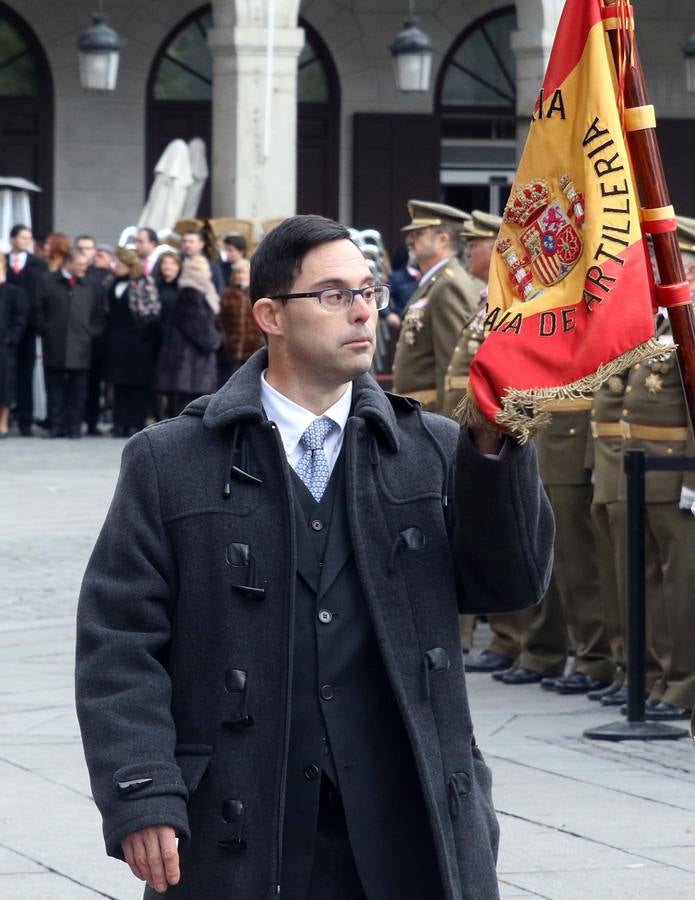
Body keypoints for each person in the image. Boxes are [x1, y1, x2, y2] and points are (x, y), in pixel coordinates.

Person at [76, 214, 553, 900]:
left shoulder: (432, 449)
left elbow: (511, 583)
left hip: (406, 828)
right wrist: (143, 793)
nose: (362, 309)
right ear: (269, 314)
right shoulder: (169, 461)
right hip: (241, 826)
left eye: (366, 291)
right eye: (332, 294)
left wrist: (495, 454)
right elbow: (118, 641)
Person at [392, 200, 480, 413]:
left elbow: (452, 367)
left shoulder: (448, 285)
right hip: (417, 412)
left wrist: (448, 428)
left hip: (430, 414)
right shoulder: (435, 282)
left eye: (419, 233)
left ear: (442, 240)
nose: (410, 240)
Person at [37, 249, 105, 438]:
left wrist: (91, 332)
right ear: (69, 263)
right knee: (54, 388)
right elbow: (38, 309)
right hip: (55, 344)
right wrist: (47, 330)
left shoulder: (91, 284)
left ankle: (74, 427)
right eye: (81, 264)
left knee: (78, 390)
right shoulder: (48, 281)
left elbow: (100, 312)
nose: (85, 268)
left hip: (81, 345)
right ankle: (55, 426)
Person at [154, 254, 221, 413]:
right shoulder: (191, 294)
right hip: (191, 364)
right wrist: (216, 340)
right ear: (198, 272)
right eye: (207, 270)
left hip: (191, 363)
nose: (210, 274)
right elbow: (200, 328)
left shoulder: (193, 292)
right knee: (190, 411)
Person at [106, 249, 161, 438]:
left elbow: (153, 311)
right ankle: (120, 422)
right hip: (117, 341)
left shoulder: (143, 283)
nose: (115, 268)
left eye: (119, 265)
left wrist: (142, 332)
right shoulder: (111, 282)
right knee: (119, 383)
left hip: (139, 342)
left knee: (137, 384)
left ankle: (135, 422)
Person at [5, 224, 47, 435]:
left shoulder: (38, 265)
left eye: (29, 238)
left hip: (29, 328)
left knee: (26, 374)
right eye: (22, 237)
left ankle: (25, 419)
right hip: (7, 328)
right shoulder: (4, 263)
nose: (26, 241)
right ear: (12, 239)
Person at [219, 258, 264, 377]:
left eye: (243, 272)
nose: (240, 276)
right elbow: (221, 319)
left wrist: (260, 339)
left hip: (253, 346)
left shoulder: (257, 293)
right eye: (237, 273)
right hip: (231, 347)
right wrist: (224, 338)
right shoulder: (227, 294)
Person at [0, 253, 29, 437]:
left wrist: (11, 338)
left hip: (4, 346)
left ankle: (3, 421)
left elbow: (20, 317)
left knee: (5, 384)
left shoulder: (13, 291)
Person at [179, 229, 225, 295]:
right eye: (184, 241)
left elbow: (219, 289)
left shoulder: (211, 266)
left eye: (191, 242)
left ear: (201, 244)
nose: (187, 245)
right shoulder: (176, 263)